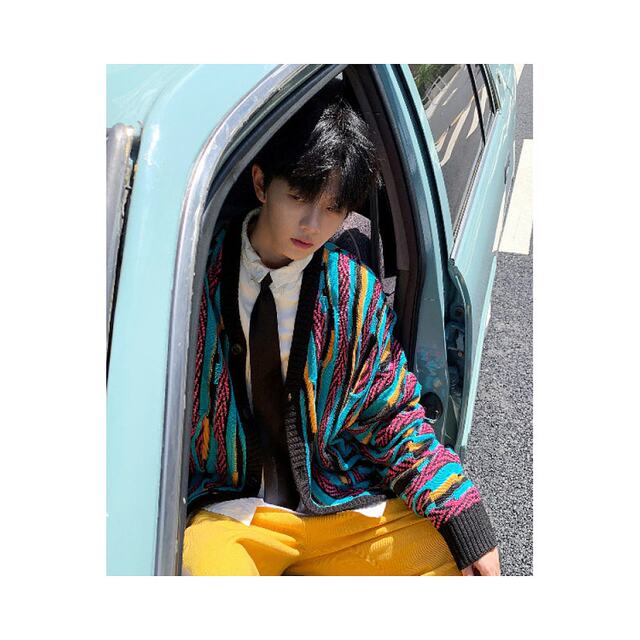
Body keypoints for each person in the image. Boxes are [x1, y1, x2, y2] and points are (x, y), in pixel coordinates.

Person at [182, 80, 500, 576]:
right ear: (262, 184)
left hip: (334, 504)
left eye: (333, 209)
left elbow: (390, 415)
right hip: (234, 513)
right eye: (299, 197)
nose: (312, 225)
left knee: (457, 558)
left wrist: (463, 515)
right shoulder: (193, 279)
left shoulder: (353, 293)